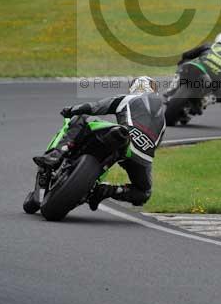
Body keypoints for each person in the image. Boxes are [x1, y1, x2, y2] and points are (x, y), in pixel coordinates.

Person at [33, 76, 166, 209]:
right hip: (143, 155)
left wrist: (71, 109)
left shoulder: (128, 98)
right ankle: (106, 191)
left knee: (81, 118)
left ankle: (56, 154)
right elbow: (156, 144)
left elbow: (96, 107)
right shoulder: (163, 120)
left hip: (122, 135)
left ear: (133, 88)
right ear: (155, 91)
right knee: (144, 192)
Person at [176, 32, 221, 103]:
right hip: (215, 78)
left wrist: (182, 61)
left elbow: (189, 54)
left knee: (185, 61)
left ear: (217, 40)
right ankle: (204, 101)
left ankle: (174, 84)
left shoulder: (209, 45)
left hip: (198, 68)